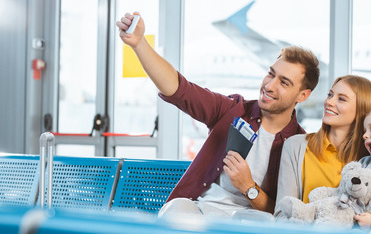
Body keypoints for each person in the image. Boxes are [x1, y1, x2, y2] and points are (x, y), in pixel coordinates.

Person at [116, 12, 320, 217]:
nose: (269, 85)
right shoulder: (233, 110)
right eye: (270, 74)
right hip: (199, 214)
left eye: (284, 82)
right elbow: (179, 90)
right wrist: (139, 44)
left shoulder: (299, 146)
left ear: (303, 95)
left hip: (249, 224)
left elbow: (285, 216)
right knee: (175, 211)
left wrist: (249, 187)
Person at [274, 75, 371, 219]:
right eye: (330, 95)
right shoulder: (295, 147)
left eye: (341, 99)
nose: (329, 102)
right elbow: (282, 214)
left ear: (361, 110)